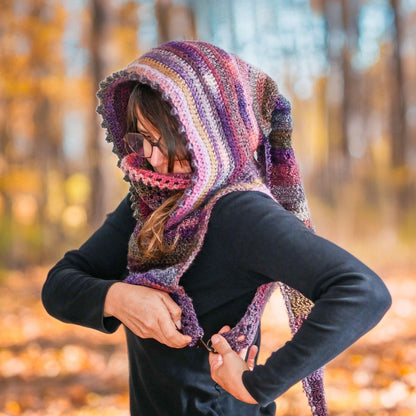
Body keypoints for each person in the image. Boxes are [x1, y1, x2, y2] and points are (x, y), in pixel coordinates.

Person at [42, 40, 391, 416]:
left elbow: (363, 291)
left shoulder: (239, 211)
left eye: (165, 141)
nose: (152, 159)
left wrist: (259, 384)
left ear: (206, 134)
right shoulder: (151, 204)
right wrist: (119, 299)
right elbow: (59, 285)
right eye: (142, 139)